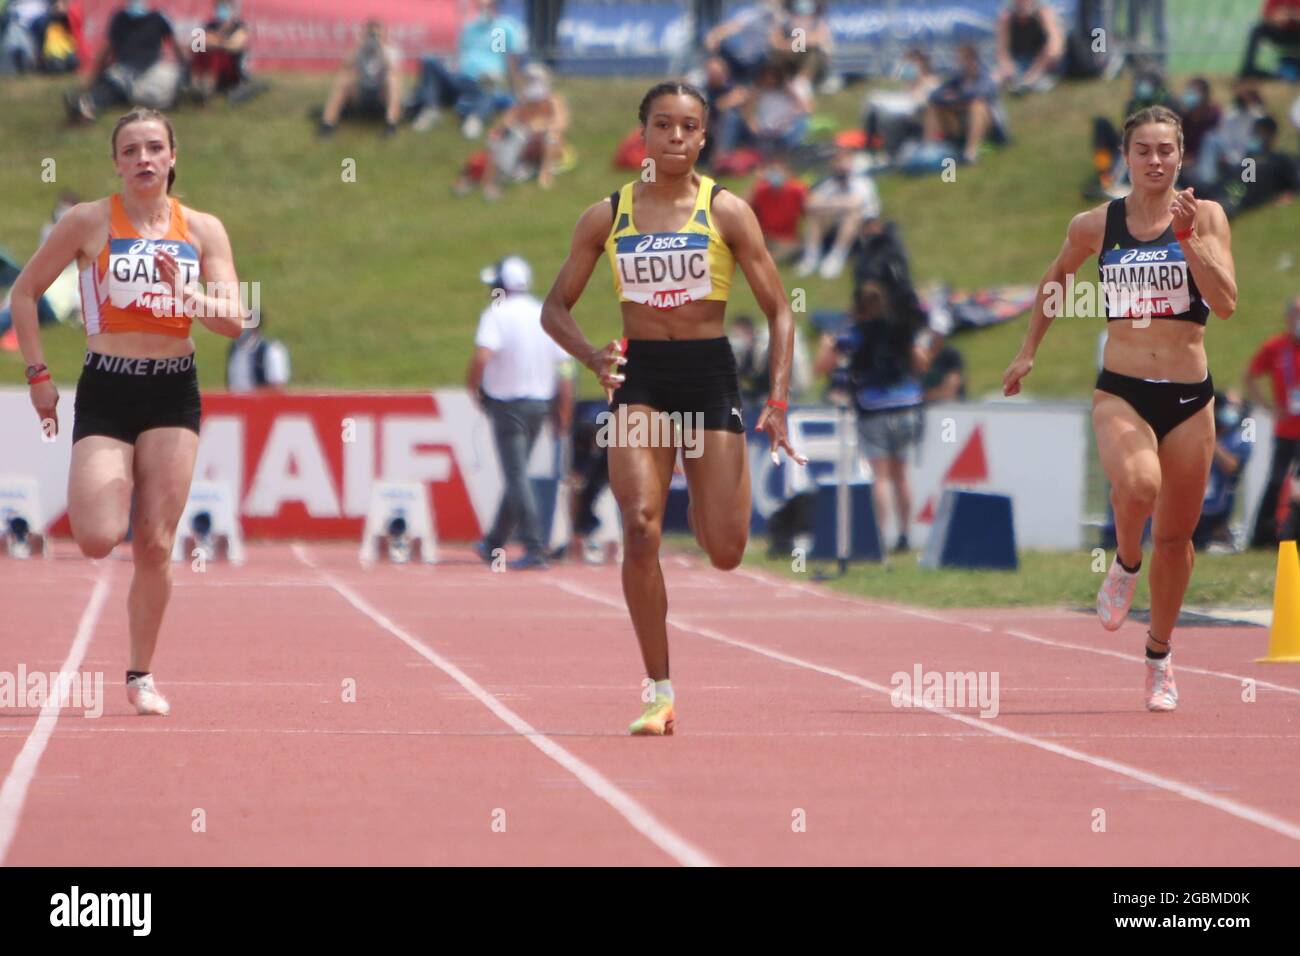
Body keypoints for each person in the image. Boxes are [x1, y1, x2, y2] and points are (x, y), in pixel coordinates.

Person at [539, 81, 806, 735]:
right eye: (664, 125)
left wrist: (778, 397)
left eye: (689, 127)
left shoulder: (727, 211)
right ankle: (658, 690)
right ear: (644, 134)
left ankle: (723, 526)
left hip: (709, 377)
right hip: (642, 380)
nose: (676, 137)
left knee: (725, 549)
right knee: (640, 525)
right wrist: (593, 358)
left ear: (704, 136)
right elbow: (554, 310)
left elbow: (780, 310)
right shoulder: (607, 215)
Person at [9, 107, 246, 715]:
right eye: (131, 150)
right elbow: (25, 291)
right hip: (107, 388)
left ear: (172, 158)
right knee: (95, 536)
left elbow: (232, 321)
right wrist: (37, 373)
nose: (144, 159)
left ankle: (140, 674)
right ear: (116, 162)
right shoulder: (89, 221)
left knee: (157, 542)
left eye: (154, 148)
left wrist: (185, 294)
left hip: (173, 389)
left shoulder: (203, 230)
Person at [1003, 105, 1237, 713]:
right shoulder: (1096, 224)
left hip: (1190, 397)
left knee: (1179, 535)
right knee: (1138, 486)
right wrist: (1028, 351)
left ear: (1181, 155)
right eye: (1144, 151)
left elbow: (1228, 302)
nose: (1155, 160)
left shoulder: (1206, 216)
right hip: (1124, 389)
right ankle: (1124, 562)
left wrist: (1188, 241)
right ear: (1126, 158)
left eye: (1166, 150)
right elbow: (1056, 279)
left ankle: (1158, 656)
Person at [467, 255, 574, 570]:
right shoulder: (545, 313)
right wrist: (563, 411)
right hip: (540, 405)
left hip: (508, 406)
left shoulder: (496, 314)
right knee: (518, 476)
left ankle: (535, 546)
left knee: (516, 476)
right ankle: (494, 541)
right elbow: (565, 370)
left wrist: (474, 389)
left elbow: (482, 356)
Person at [815, 280, 928, 554]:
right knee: (901, 475)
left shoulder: (853, 334)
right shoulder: (900, 330)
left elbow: (822, 368)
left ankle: (879, 539)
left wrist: (826, 343)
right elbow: (921, 362)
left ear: (857, 307)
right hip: (907, 404)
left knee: (881, 476)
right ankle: (904, 535)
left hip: (874, 406)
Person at [453, 62, 569, 200]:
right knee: (503, 142)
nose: (535, 103)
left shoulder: (554, 102)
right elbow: (506, 122)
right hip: (524, 144)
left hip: (545, 144)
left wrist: (540, 126)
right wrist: (504, 129)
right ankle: (480, 180)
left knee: (551, 137)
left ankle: (545, 174)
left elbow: (560, 124)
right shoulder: (524, 102)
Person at [411, 0, 525, 138]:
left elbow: (507, 60)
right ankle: (430, 109)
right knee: (429, 61)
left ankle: (475, 118)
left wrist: (516, 91)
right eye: (481, 5)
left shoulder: (501, 29)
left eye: (488, 5)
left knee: (489, 82)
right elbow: (461, 55)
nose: (484, 8)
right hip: (461, 77)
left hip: (484, 80)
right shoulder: (469, 28)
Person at [65, 1, 187, 122]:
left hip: (138, 73)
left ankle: (88, 105)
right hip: (135, 73)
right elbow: (178, 50)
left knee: (111, 87)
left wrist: (90, 81)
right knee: (113, 85)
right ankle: (88, 106)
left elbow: (104, 53)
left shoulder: (124, 18)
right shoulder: (127, 17)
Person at [1246, 297, 1300, 547]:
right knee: (1277, 480)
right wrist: (1268, 407)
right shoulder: (1276, 347)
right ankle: (1263, 535)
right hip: (1286, 429)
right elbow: (1251, 375)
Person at [797, 146, 880, 280]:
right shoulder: (828, 185)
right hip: (834, 225)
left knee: (852, 214)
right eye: (836, 162)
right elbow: (810, 204)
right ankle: (811, 258)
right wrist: (836, 204)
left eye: (843, 161)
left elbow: (855, 203)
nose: (839, 166)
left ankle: (836, 258)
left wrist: (829, 203)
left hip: (862, 227)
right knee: (815, 215)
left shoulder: (862, 183)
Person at [924, 43, 1006, 165]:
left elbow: (980, 94)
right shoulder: (957, 79)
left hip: (989, 127)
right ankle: (929, 149)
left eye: (962, 60)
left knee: (978, 106)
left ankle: (970, 152)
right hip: (961, 122)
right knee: (933, 106)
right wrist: (952, 99)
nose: (959, 64)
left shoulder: (986, 77)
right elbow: (935, 95)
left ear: (972, 60)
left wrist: (955, 98)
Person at [318, 19, 402, 137]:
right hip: (360, 94)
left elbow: (393, 69)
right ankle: (327, 124)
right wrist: (359, 45)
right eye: (371, 35)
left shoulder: (390, 51)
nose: (373, 38)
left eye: (377, 35)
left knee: (392, 80)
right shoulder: (359, 50)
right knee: (344, 78)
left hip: (380, 96)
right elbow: (345, 66)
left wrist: (381, 47)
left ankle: (390, 126)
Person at [1194, 392, 1252, 551]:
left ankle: (1220, 536)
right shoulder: (1193, 435)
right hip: (1192, 504)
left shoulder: (1239, 439)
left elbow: (1232, 466)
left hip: (1217, 508)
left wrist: (1211, 441)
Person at [862, 48, 941, 164]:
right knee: (875, 109)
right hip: (906, 116)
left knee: (888, 120)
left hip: (920, 121)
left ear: (921, 64)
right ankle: (871, 147)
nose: (908, 67)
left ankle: (891, 154)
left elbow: (927, 104)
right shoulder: (910, 84)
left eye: (911, 63)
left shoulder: (931, 83)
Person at [993, 0, 1064, 95]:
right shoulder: (1006, 17)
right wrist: (1007, 65)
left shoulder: (1044, 13)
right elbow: (1002, 50)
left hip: (1041, 63)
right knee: (995, 78)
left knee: (1048, 51)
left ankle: (1028, 81)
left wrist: (1034, 72)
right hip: (1019, 61)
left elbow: (1055, 47)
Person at [746, 156, 807, 264]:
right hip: (764, 237)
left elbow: (809, 208)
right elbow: (743, 208)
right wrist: (755, 184)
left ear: (788, 173)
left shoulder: (797, 190)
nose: (776, 174)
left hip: (786, 240)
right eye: (773, 171)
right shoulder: (761, 190)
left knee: (784, 253)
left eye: (779, 171)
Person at [191, 0, 254, 103]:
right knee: (200, 53)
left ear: (233, 9)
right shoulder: (210, 25)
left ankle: (207, 90)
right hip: (209, 64)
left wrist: (216, 40)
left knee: (217, 55)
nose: (221, 10)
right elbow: (196, 43)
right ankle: (197, 87)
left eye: (225, 7)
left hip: (233, 67)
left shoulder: (241, 26)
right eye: (219, 7)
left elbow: (235, 45)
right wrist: (222, 41)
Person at [226, 308, 290, 393]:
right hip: (236, 404)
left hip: (261, 404)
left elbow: (277, 387)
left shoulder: (271, 351)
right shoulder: (235, 350)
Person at [1240, 0, 1300, 80]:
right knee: (1257, 29)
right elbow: (1266, 17)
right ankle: (1248, 69)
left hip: (1296, 32)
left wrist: (1292, 15)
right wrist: (1276, 19)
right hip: (1279, 31)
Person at [1177, 78, 1221, 170]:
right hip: (1186, 164)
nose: (1190, 94)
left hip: (1208, 162)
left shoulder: (1214, 114)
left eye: (1195, 91)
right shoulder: (1184, 117)